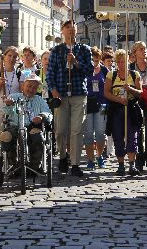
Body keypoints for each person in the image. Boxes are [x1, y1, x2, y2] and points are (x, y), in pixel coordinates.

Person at [46, 20, 94, 177]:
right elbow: (50, 73)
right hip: (60, 94)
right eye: (67, 28)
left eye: (73, 28)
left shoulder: (84, 49)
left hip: (78, 93)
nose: (70, 30)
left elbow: (90, 71)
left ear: (76, 30)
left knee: (76, 130)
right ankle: (62, 156)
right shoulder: (57, 51)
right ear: (62, 31)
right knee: (60, 130)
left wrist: (76, 62)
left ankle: (75, 163)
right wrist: (53, 90)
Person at [2, 73, 53, 175]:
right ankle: (14, 165)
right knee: (6, 136)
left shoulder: (40, 100)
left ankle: (34, 166)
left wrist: (42, 116)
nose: (31, 89)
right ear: (23, 85)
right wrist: (8, 104)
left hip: (32, 126)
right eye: (29, 86)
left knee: (38, 136)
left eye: (34, 87)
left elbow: (49, 114)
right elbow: (6, 112)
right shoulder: (14, 97)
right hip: (15, 126)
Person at [105, 49, 142, 176]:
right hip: (116, 109)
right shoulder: (111, 75)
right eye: (119, 62)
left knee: (132, 136)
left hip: (131, 109)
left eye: (124, 61)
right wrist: (119, 100)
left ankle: (132, 165)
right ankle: (121, 165)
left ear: (128, 61)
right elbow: (106, 93)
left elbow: (140, 92)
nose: (121, 64)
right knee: (118, 137)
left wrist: (130, 89)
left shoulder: (134, 74)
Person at [0, 47, 21, 159]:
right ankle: (4, 161)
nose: (12, 59)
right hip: (0, 109)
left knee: (13, 135)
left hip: (14, 110)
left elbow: (23, 93)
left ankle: (13, 159)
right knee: (2, 135)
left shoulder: (19, 74)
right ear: (4, 57)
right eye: (9, 56)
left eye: (14, 57)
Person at [130, 41, 147, 170]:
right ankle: (140, 156)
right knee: (138, 129)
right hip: (136, 100)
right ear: (135, 53)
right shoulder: (131, 67)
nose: (144, 51)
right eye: (140, 49)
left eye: (144, 48)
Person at [83, 47, 108, 170]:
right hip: (87, 104)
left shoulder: (104, 70)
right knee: (88, 134)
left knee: (100, 133)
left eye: (96, 57)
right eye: (92, 58)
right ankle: (90, 159)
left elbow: (108, 86)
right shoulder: (85, 70)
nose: (94, 60)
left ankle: (99, 156)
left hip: (102, 104)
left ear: (99, 58)